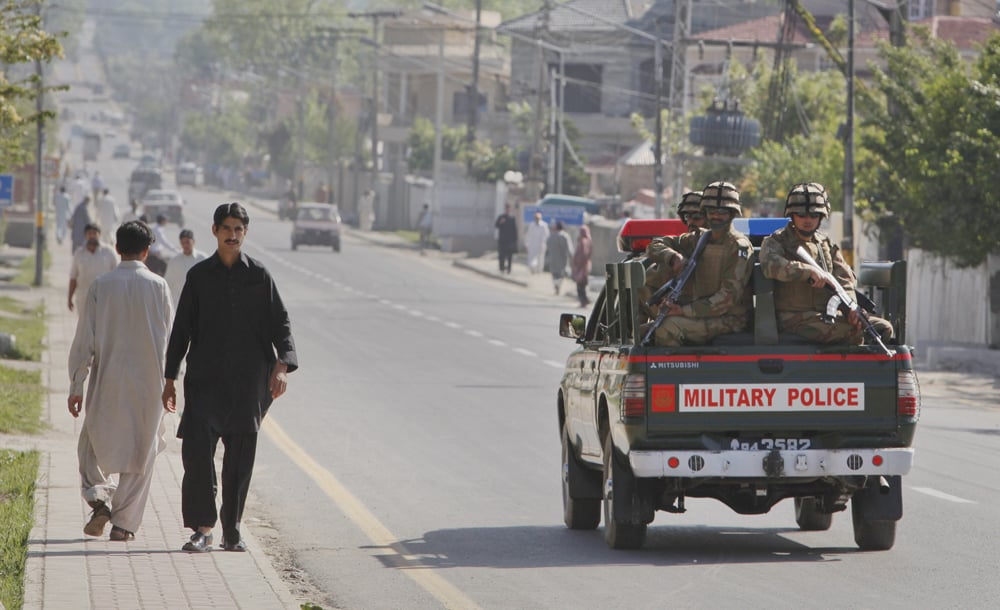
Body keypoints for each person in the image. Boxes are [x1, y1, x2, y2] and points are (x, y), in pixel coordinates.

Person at [163, 202, 298, 553]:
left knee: (239, 462)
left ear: (245, 233)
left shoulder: (259, 276)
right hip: (204, 382)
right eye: (227, 229)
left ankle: (232, 529)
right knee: (197, 457)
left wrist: (282, 365)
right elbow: (181, 331)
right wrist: (169, 377)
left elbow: (280, 322)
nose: (233, 235)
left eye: (239, 229)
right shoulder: (199, 277)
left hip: (246, 387)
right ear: (215, 231)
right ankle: (202, 528)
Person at [67, 220, 173, 542]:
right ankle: (124, 524)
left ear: (116, 247)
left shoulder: (101, 285)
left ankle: (99, 499)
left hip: (108, 380)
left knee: (90, 444)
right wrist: (172, 383)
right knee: (142, 451)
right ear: (146, 250)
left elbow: (84, 339)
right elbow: (169, 337)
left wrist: (77, 385)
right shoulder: (159, 286)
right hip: (149, 384)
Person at [760, 182, 894, 344]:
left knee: (883, 328)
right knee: (853, 334)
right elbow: (771, 266)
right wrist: (808, 272)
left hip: (826, 316)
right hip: (794, 318)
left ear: (821, 217)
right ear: (792, 215)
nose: (807, 220)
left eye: (814, 215)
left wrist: (850, 308)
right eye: (801, 215)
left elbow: (845, 280)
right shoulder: (777, 241)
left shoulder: (825, 244)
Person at [645, 181, 753, 346]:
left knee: (667, 328)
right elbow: (654, 245)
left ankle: (677, 371)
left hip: (730, 320)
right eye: (711, 211)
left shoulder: (739, 246)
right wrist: (672, 257)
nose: (715, 216)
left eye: (722, 212)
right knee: (641, 332)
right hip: (699, 315)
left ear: (732, 214)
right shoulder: (699, 239)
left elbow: (727, 298)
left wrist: (683, 311)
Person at [68, 223, 118, 318]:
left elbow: (117, 275)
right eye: (89, 233)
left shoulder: (109, 252)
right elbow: (73, 277)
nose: (92, 236)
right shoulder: (79, 253)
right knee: (85, 328)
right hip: (84, 298)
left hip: (104, 298)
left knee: (102, 326)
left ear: (99, 235)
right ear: (85, 236)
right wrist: (69, 298)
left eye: (94, 233)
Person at [164, 229, 207, 310]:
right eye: (182, 243)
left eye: (187, 242)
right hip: (179, 305)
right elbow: (168, 283)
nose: (185, 245)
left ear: (193, 242)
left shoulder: (203, 259)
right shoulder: (174, 261)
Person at [545, 221, 573, 296]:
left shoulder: (551, 236)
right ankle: (558, 285)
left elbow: (547, 246)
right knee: (561, 274)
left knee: (554, 274)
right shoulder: (565, 236)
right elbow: (569, 249)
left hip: (553, 258)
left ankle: (556, 285)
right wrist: (571, 257)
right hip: (563, 259)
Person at [571, 225, 593, 307]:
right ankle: (584, 300)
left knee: (580, 284)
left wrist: (578, 264)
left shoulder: (583, 241)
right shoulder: (588, 240)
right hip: (585, 265)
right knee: (582, 283)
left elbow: (583, 254)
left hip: (581, 266)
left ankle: (583, 301)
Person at [494, 203, 518, 274]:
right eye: (506, 208)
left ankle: (509, 268)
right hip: (502, 240)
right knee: (501, 255)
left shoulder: (512, 218)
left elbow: (514, 229)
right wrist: (500, 222)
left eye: (509, 208)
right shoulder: (501, 217)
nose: (507, 210)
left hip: (510, 240)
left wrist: (515, 240)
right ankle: (501, 268)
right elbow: (496, 225)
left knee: (509, 255)